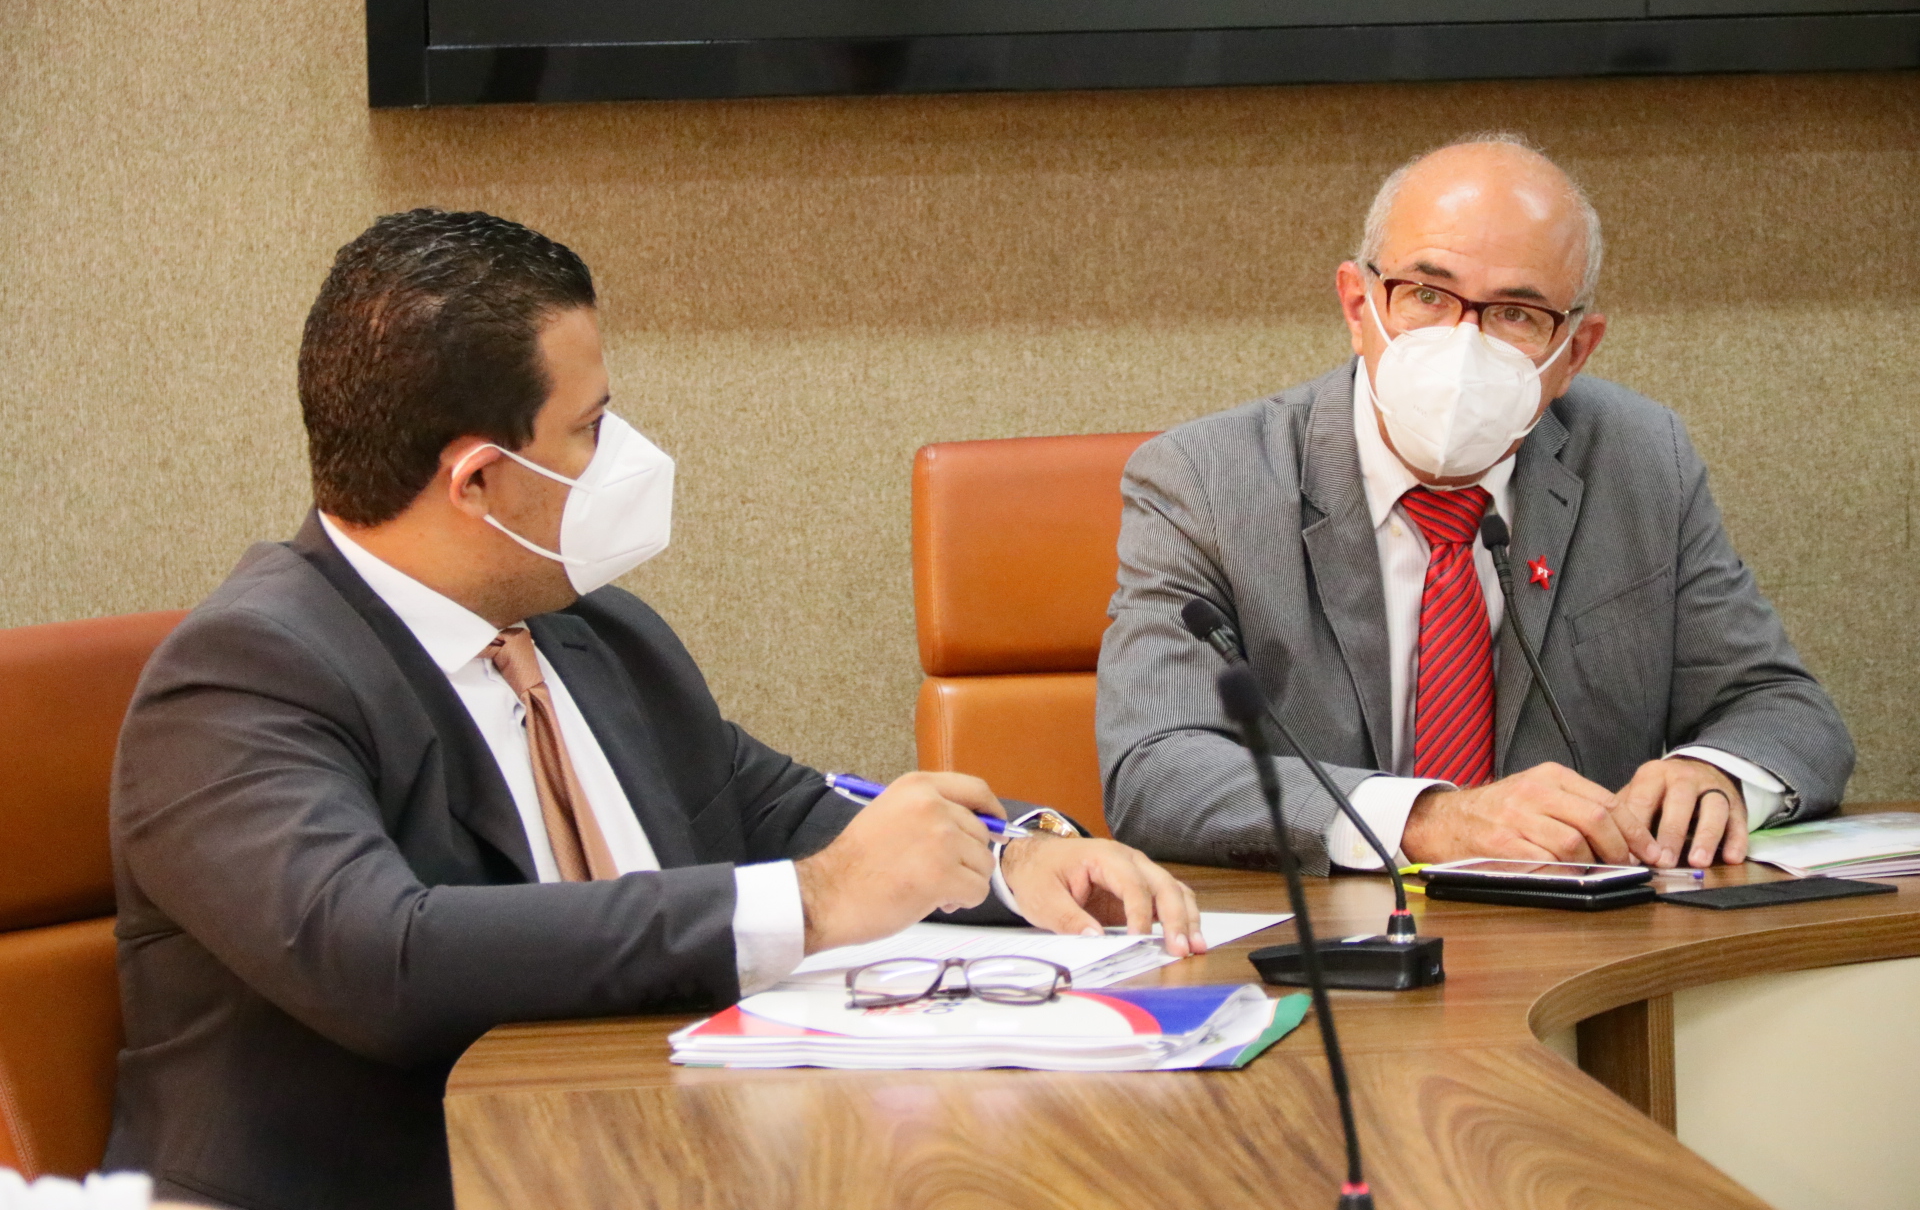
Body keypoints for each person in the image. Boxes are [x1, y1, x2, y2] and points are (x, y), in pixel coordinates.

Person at [106, 210, 1202, 1210]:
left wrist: (1014, 859)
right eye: (590, 427)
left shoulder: (597, 634)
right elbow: (381, 957)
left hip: (673, 1163)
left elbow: (781, 810)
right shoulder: (244, 676)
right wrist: (817, 901)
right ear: (477, 480)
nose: (622, 458)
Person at [1098, 132, 1853, 878]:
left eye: (1516, 314)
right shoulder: (1206, 480)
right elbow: (1154, 769)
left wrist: (1715, 773)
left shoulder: (1642, 458)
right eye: (1427, 295)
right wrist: (1429, 819)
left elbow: (1783, 708)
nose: (1463, 346)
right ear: (1359, 306)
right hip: (1336, 933)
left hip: (1579, 930)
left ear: (1574, 352)